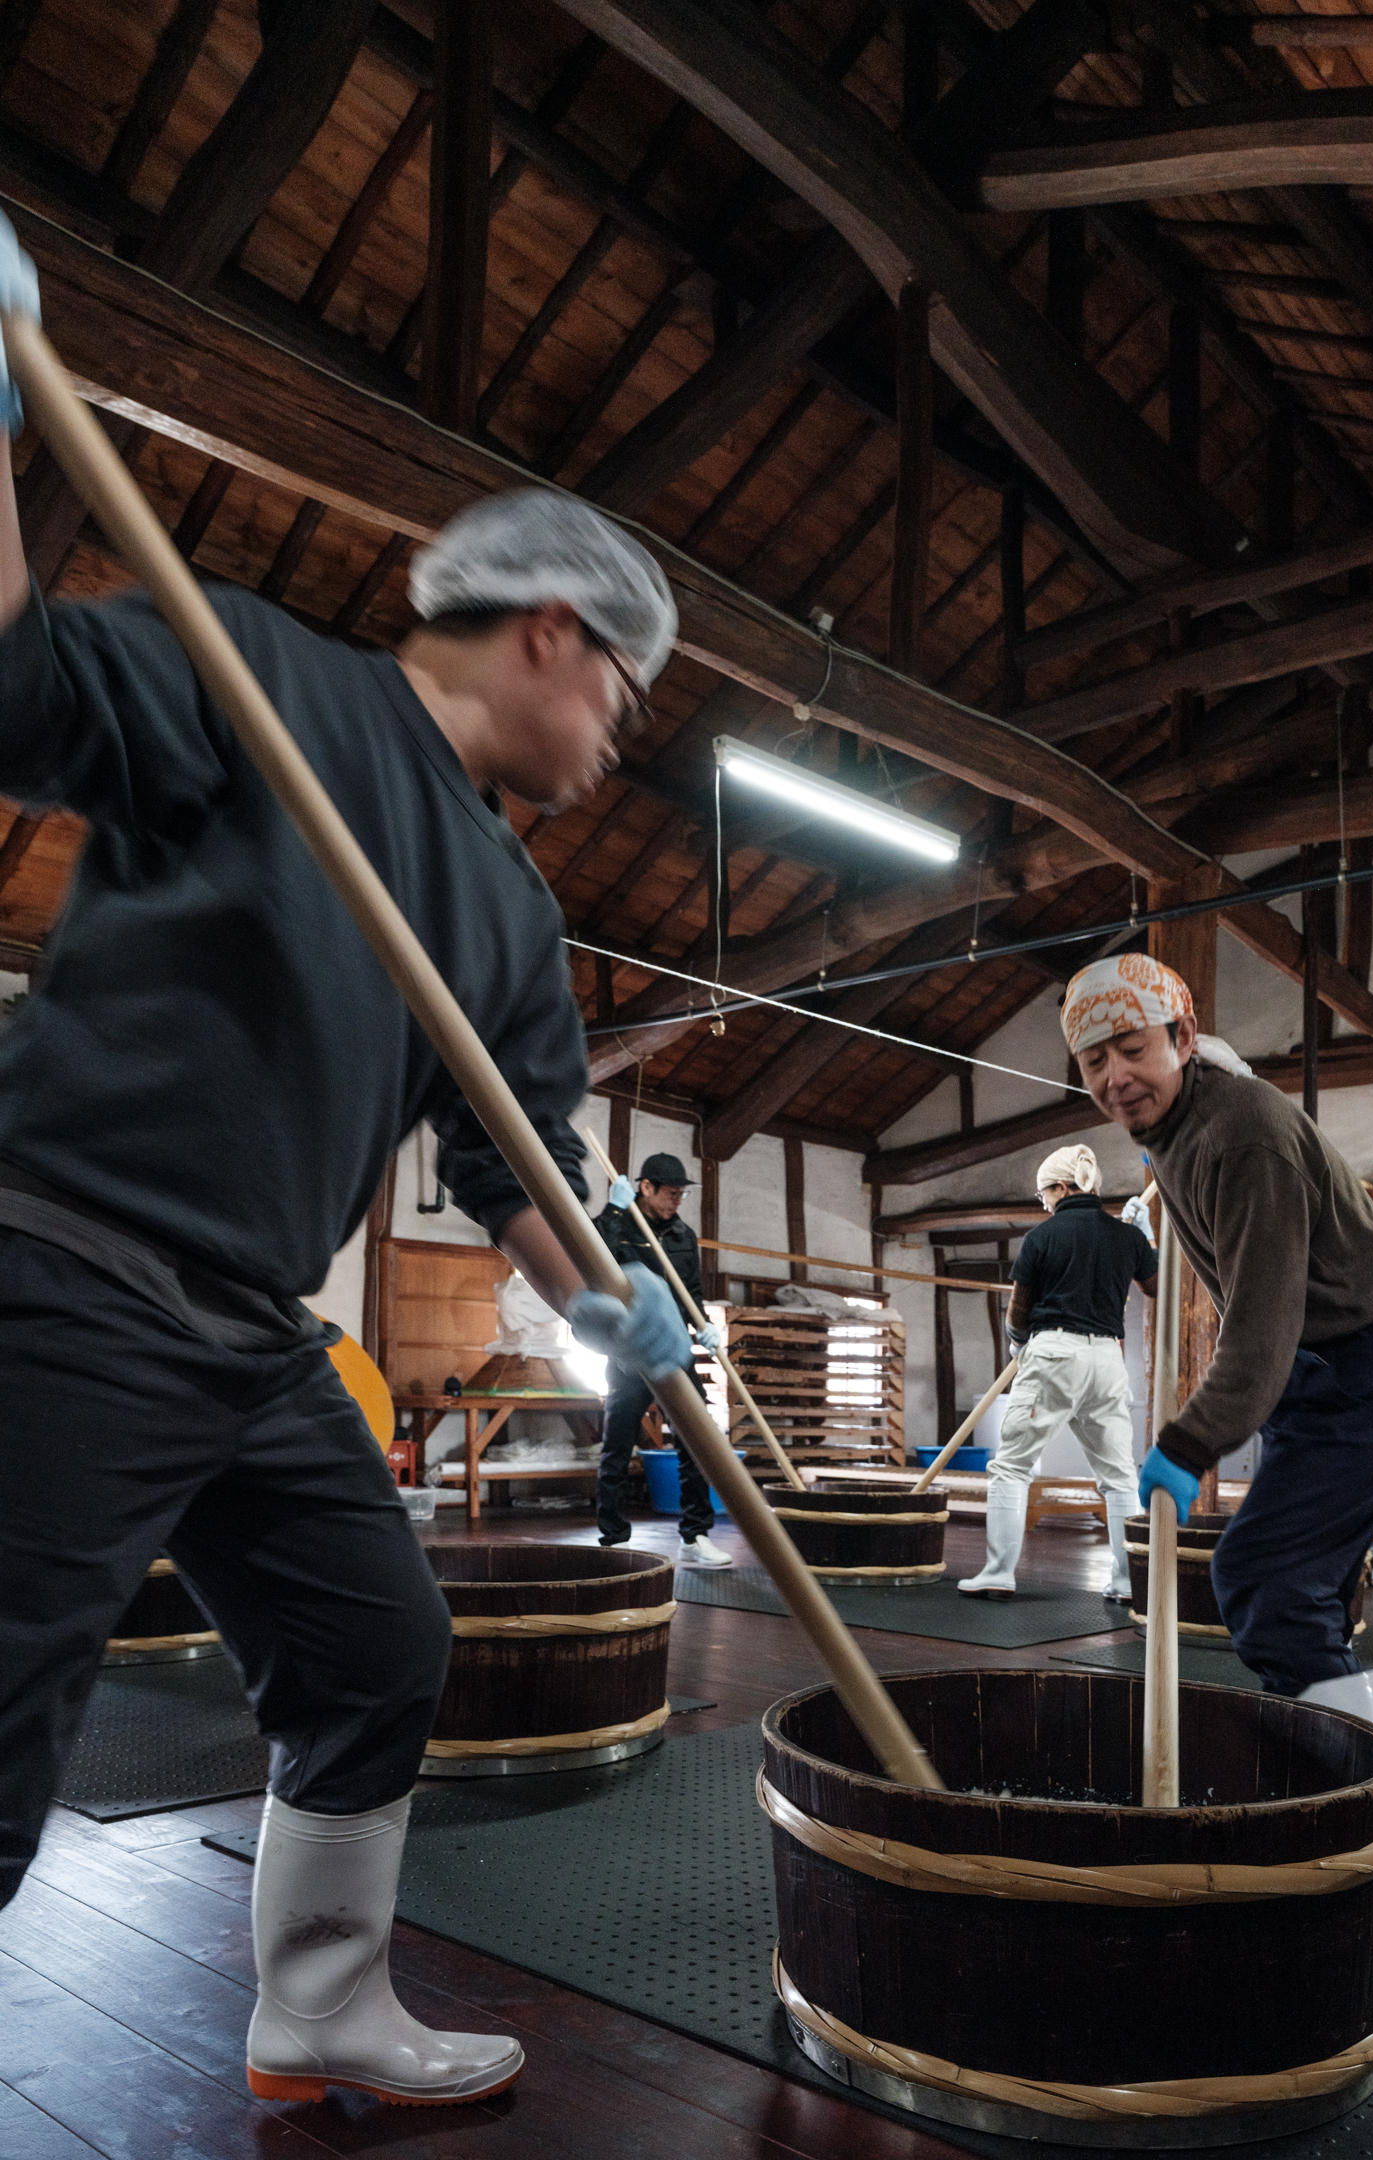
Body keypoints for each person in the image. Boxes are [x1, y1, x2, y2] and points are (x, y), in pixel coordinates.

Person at [0, 213, 700, 2104]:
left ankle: (318, 2002)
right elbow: (12, 690)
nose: (616, 744)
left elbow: (516, 1159)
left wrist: (610, 1302)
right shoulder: (260, 676)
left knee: (378, 1648)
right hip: (63, 1269)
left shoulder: (512, 914)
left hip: (253, 1335)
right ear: (551, 632)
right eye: (623, 697)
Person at [1064, 950, 1373, 1889]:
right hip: (1321, 1371)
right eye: (1094, 1061)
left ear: (1183, 1037)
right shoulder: (1182, 1124)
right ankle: (1353, 1800)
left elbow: (1261, 1328)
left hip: (1367, 1365)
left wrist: (1189, 1441)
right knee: (1302, 1591)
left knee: (1264, 1581)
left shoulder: (1243, 1136)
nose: (1115, 1076)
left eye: (1133, 1048)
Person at [959, 1144, 1156, 1600]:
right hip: (1107, 1358)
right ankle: (1127, 1583)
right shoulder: (1126, 1236)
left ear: (1063, 1188)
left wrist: (1017, 1341)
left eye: (1044, 1192)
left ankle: (998, 1573)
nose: (1043, 1201)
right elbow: (1156, 1286)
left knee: (1012, 1466)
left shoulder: (1042, 1237)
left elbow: (1019, 1307)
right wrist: (1146, 1240)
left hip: (1053, 1352)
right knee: (1119, 1476)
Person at [593, 1152, 733, 1568]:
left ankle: (696, 1535)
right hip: (628, 1349)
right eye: (671, 1193)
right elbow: (594, 1256)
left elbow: (691, 1292)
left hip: (674, 1348)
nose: (677, 1200)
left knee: (696, 1440)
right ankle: (614, 1538)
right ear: (645, 1187)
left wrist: (704, 1325)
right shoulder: (621, 1225)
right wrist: (613, 1210)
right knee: (618, 1446)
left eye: (682, 1194)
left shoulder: (683, 1235)